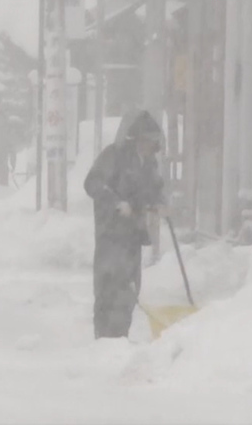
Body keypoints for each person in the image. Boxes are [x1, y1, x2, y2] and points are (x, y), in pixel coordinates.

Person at [83, 109, 165, 339]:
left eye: (154, 141)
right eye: (148, 140)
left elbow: (154, 188)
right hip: (111, 234)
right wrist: (116, 203)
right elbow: (92, 184)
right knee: (109, 286)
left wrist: (159, 203)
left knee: (129, 288)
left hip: (132, 236)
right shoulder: (113, 156)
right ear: (137, 138)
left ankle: (120, 337)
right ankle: (103, 337)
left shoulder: (148, 163)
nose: (151, 146)